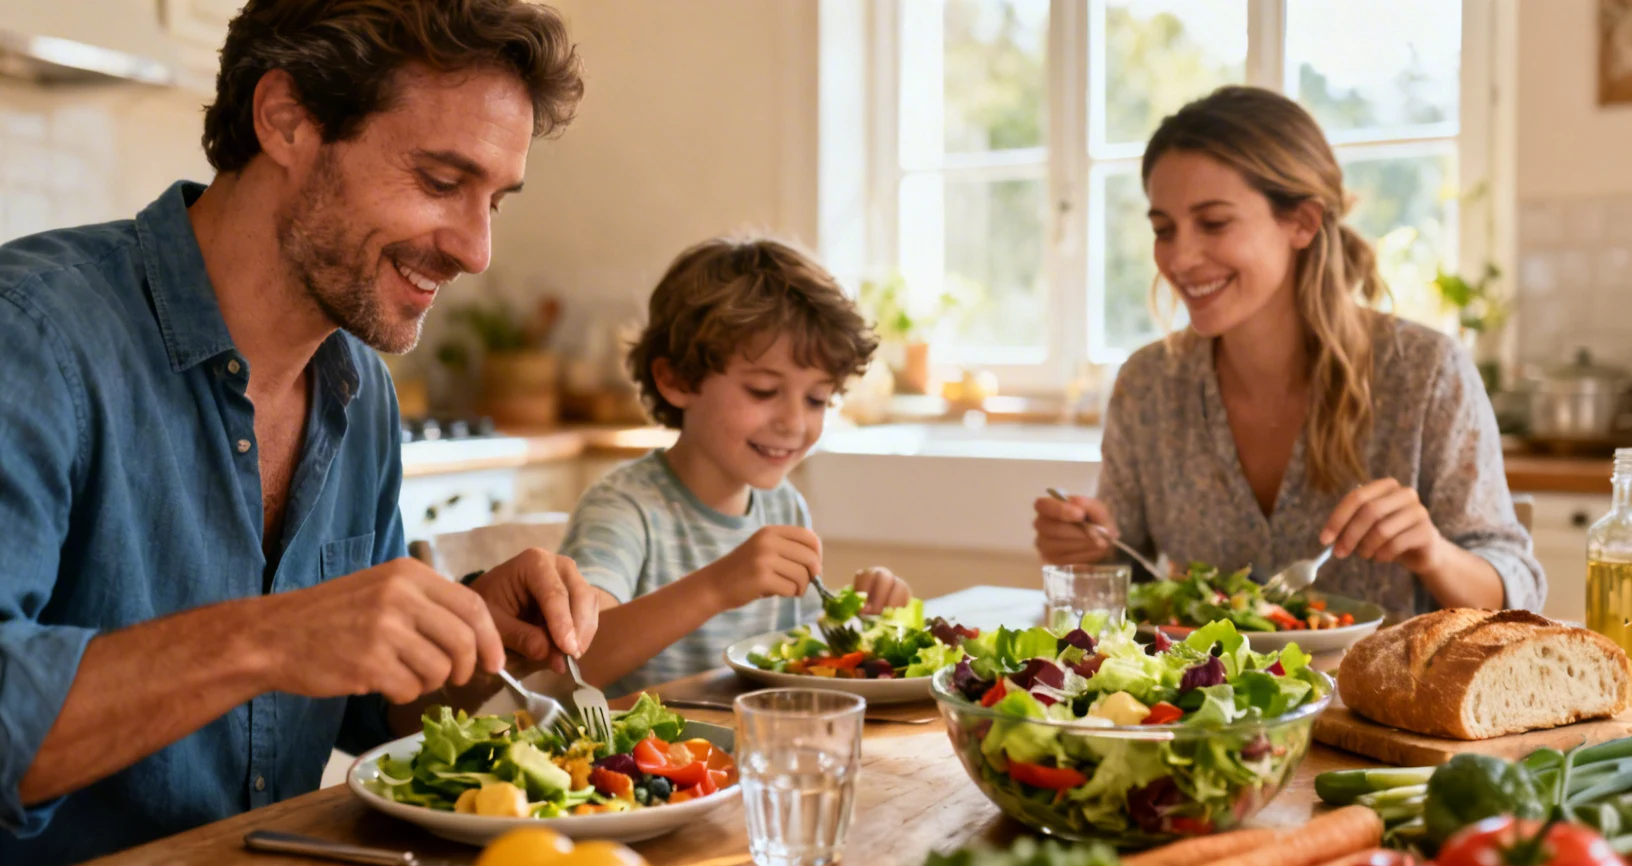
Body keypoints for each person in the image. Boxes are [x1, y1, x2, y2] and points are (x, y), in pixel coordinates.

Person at [0, 0, 601, 866]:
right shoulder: (32, 338)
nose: (477, 251)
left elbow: (365, 709)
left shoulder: (359, 391)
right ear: (285, 119)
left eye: (495, 202)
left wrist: (476, 640)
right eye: (441, 181)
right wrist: (271, 638)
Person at [1034, 86, 1544, 616]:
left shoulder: (1426, 372)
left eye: (1214, 223)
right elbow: (1132, 584)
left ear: (1301, 222)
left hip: (1383, 674)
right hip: (1203, 676)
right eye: (1164, 230)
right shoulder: (1149, 384)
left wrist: (1432, 553)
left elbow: (1517, 594)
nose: (1179, 259)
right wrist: (1091, 551)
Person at [559, 237, 911, 696]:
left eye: (816, 399)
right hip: (642, 743)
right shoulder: (624, 508)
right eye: (764, 391)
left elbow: (794, 654)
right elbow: (575, 662)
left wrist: (860, 622)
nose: (794, 422)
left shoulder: (783, 507)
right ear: (676, 379)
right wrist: (716, 587)